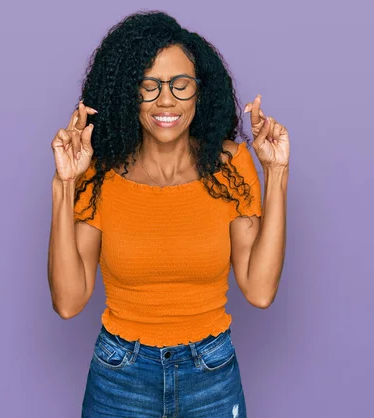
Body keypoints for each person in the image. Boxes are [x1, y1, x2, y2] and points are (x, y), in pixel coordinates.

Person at [47, 10, 290, 417]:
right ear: (129, 93)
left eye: (181, 85)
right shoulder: (99, 172)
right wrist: (64, 184)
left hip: (210, 373)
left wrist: (277, 172)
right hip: (119, 376)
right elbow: (69, 302)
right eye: (150, 86)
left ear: (199, 91)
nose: (166, 101)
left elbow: (260, 291)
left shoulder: (230, 164)